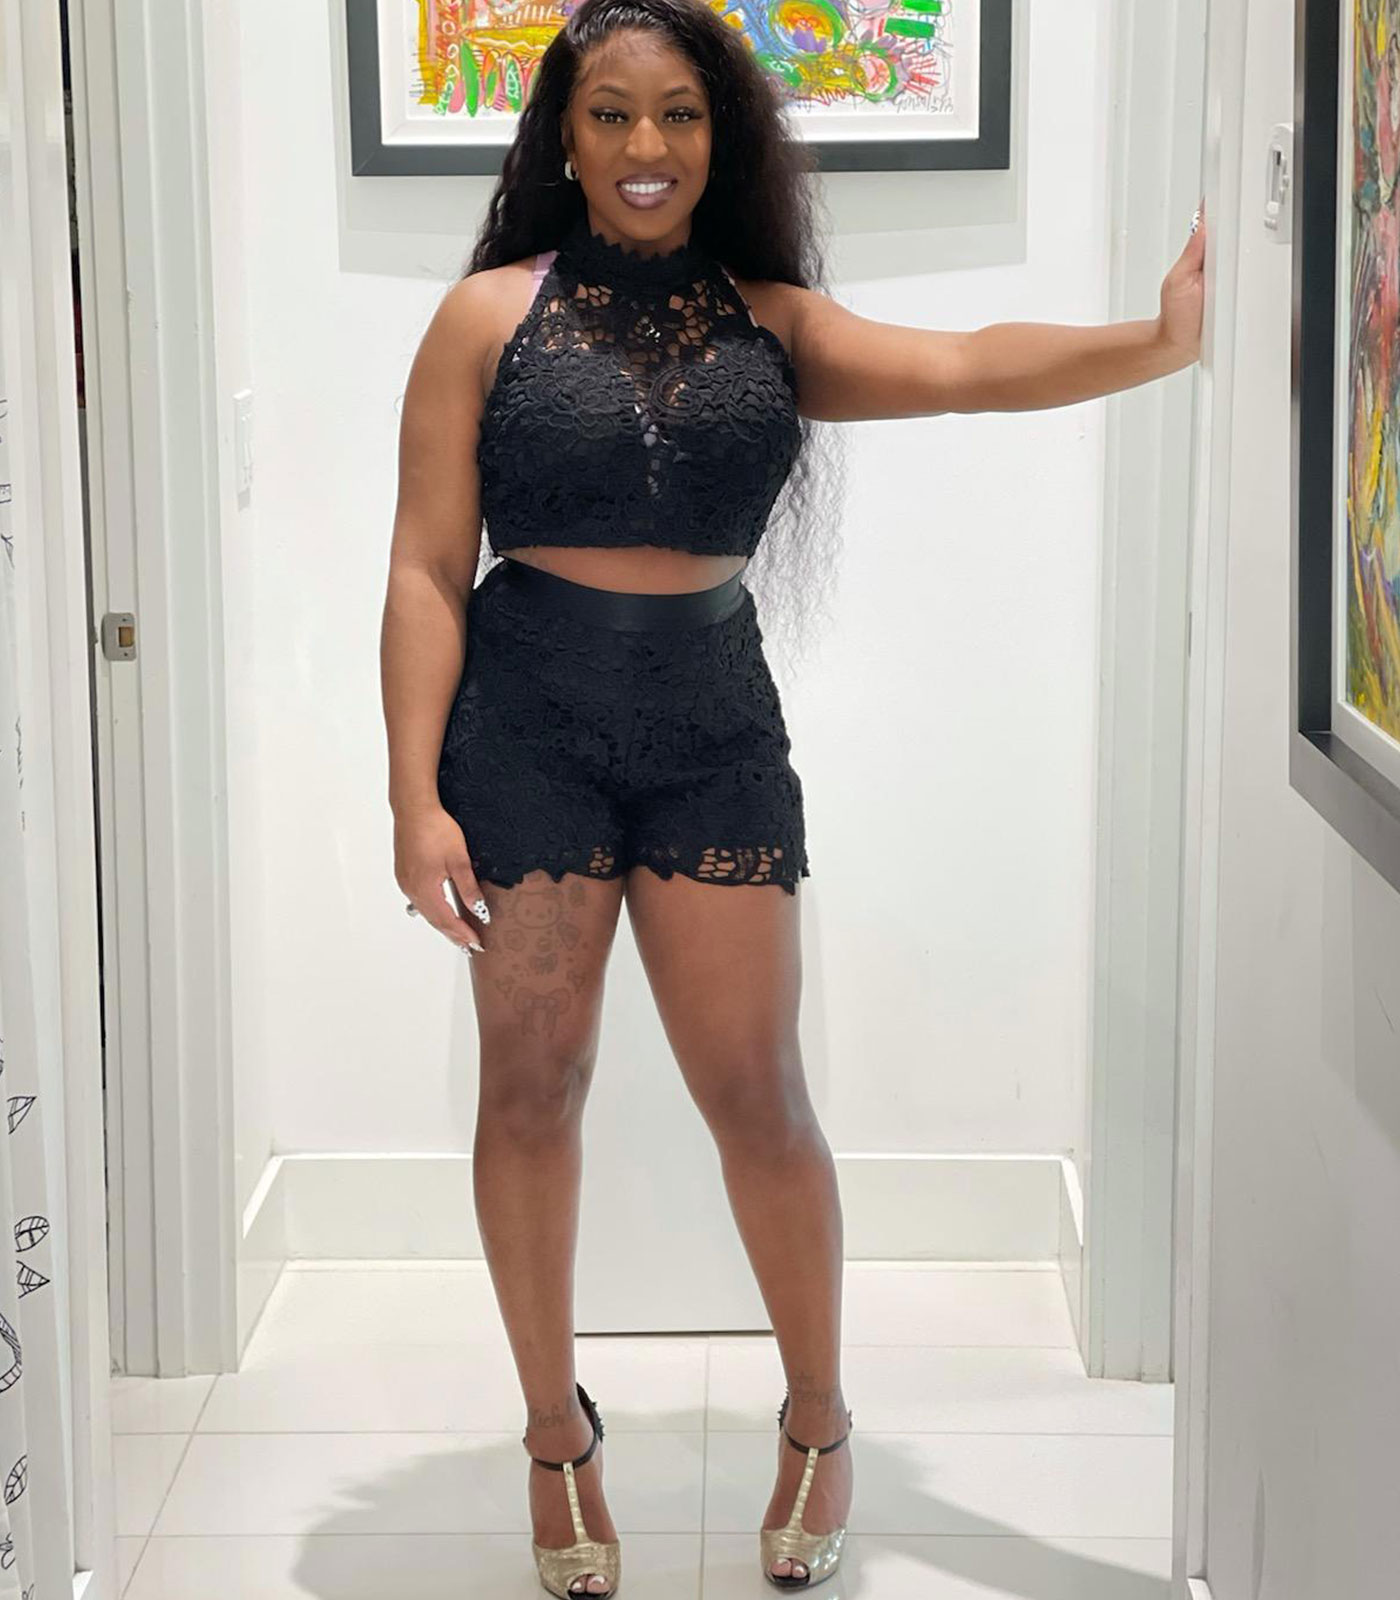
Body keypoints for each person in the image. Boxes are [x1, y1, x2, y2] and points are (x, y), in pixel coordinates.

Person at [380, 0, 1206, 1591]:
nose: (646, 147)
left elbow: (965, 367)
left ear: (722, 138)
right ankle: (555, 1441)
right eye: (613, 114)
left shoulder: (771, 320)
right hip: (525, 732)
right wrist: (416, 800)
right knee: (529, 1091)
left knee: (756, 1093)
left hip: (711, 733)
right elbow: (424, 571)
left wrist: (1160, 340)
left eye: (679, 115)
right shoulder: (485, 318)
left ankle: (819, 1421)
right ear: (566, 137)